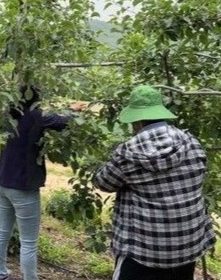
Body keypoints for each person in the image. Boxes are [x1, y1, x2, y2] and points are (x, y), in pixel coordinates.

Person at [93, 85, 216, 280]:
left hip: (143, 251)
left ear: (138, 121)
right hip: (186, 248)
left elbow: (103, 183)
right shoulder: (191, 143)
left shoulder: (128, 154)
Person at [0, 85, 85, 280]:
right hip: (23, 185)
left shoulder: (7, 115)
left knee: (2, 231)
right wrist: (74, 109)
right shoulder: (36, 116)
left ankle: (0, 274)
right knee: (29, 242)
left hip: (2, 181)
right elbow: (61, 121)